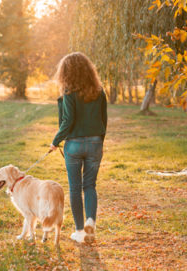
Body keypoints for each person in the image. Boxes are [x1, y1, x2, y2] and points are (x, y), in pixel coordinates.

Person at [50, 52, 107, 244]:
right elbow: (103, 120)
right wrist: (99, 141)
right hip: (95, 142)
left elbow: (68, 121)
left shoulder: (68, 92)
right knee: (90, 185)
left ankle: (80, 231)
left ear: (66, 72)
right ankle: (91, 220)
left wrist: (55, 141)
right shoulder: (99, 91)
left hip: (74, 144)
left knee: (75, 189)